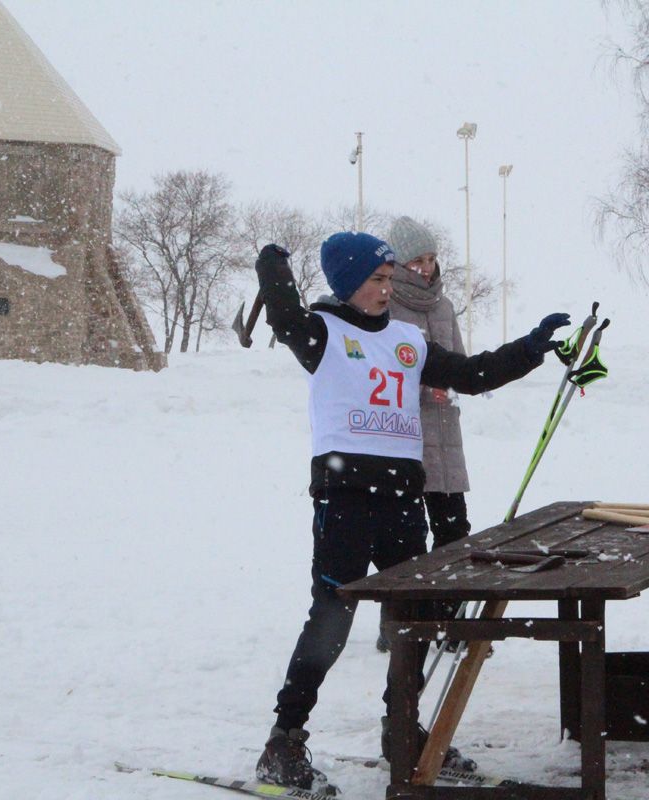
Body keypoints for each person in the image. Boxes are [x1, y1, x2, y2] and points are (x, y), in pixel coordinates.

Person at [252, 232, 570, 791]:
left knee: (413, 618)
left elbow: (472, 376)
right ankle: (285, 740)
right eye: (377, 279)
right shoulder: (323, 332)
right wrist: (273, 267)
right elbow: (282, 315)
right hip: (345, 498)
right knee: (331, 617)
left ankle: (402, 727)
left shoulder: (408, 339)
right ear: (351, 284)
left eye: (388, 277)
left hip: (402, 500)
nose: (387, 287)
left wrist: (531, 346)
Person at [374, 216, 471, 653]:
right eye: (417, 260)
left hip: (446, 439)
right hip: (403, 441)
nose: (427, 268)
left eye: (431, 259)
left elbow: (462, 364)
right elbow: (377, 374)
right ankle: (401, 619)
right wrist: (419, 387)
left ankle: (449, 621)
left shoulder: (446, 307)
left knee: (454, 531)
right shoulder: (386, 308)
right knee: (404, 541)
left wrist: (456, 384)